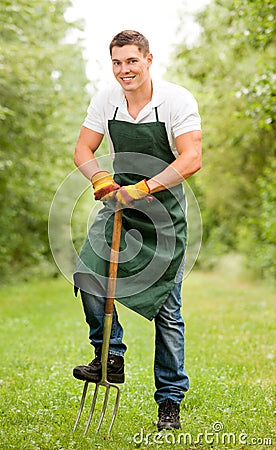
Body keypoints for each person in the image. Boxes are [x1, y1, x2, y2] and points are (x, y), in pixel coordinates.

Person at [72, 30, 202, 431]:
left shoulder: (176, 100)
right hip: (118, 206)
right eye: (116, 62)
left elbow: (192, 157)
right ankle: (109, 355)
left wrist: (144, 187)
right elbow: (82, 149)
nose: (123, 70)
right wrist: (100, 180)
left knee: (167, 312)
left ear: (148, 60)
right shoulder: (106, 100)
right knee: (88, 275)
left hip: (163, 215)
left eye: (131, 61)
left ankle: (169, 402)